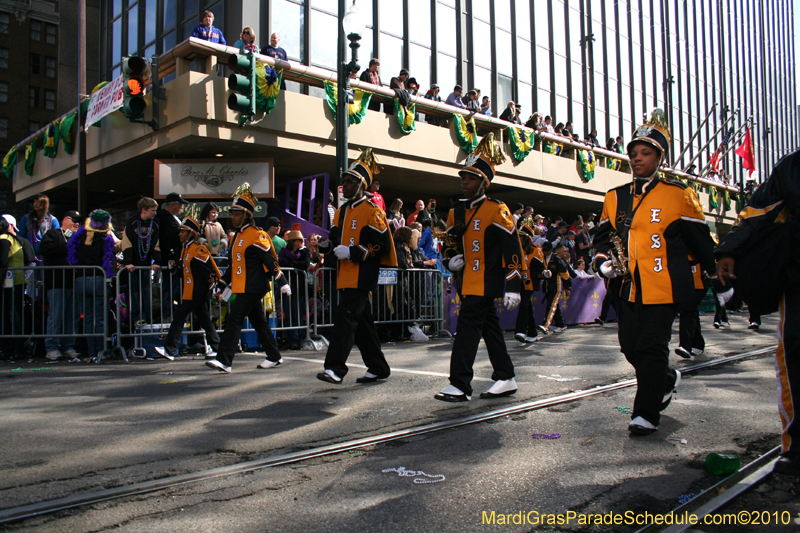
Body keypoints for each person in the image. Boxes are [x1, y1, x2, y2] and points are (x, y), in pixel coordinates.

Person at [592, 108, 727, 436]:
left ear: (659, 158)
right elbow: (602, 238)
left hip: (664, 288)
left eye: (646, 153)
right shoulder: (614, 196)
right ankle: (665, 379)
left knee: (652, 348)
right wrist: (602, 262)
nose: (637, 158)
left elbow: (700, 241)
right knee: (630, 346)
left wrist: (717, 279)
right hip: (626, 288)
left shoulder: (679, 194)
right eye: (634, 153)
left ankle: (645, 414)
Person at [715, 147, 800, 475]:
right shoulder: (792, 167)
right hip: (798, 277)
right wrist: (730, 250)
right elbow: (756, 213)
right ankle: (796, 446)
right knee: (794, 353)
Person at [435, 134, 522, 402]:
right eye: (463, 177)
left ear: (484, 182)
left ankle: (460, 383)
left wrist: (514, 286)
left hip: (487, 281)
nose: (464, 182)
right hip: (466, 281)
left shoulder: (497, 209)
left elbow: (513, 249)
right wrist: (450, 260)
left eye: (471, 178)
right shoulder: (456, 212)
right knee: (489, 328)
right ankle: (506, 376)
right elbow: (450, 244)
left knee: (468, 328)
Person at [315, 149, 397, 384]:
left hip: (361, 277)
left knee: (345, 321)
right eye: (344, 182)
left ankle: (335, 368)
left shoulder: (373, 212)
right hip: (344, 275)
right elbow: (334, 240)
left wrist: (352, 252)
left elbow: (381, 246)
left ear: (362, 185)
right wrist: (325, 246)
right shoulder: (340, 212)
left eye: (351, 182)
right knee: (362, 325)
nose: (345, 186)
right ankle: (378, 367)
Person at [207, 183, 289, 373]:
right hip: (242, 286)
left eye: (236, 214)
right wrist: (221, 284)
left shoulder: (257, 235)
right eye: (232, 214)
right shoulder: (236, 237)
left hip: (254, 286)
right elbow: (233, 265)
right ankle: (274, 355)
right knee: (259, 321)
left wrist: (282, 281)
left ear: (246, 215)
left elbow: (269, 259)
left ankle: (224, 360)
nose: (232, 217)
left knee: (234, 320)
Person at [154, 209, 221, 361]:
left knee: (179, 317)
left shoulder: (199, 250)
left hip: (197, 292)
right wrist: (174, 269)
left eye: (183, 231)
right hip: (190, 291)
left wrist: (215, 289)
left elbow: (209, 272)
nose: (179, 234)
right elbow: (185, 273)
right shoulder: (186, 250)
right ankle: (217, 348)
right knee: (205, 321)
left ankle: (170, 349)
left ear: (191, 233)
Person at [67, 210, 119, 362]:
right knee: (100, 317)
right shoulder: (105, 239)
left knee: (88, 317)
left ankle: (91, 351)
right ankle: (101, 350)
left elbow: (72, 257)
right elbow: (112, 255)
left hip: (81, 280)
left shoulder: (79, 237)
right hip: (98, 279)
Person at [40, 210, 81, 360]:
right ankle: (51, 347)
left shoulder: (79, 237)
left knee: (72, 317)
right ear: (65, 220)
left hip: (74, 283)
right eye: (74, 220)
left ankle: (68, 346)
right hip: (57, 282)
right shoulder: (52, 234)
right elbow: (45, 249)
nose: (77, 223)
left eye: (79, 221)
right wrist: (68, 245)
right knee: (55, 316)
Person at [121, 197, 161, 324]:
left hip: (146, 264)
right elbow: (126, 242)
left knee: (146, 291)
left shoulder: (155, 223)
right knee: (134, 292)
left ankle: (148, 318)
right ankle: (137, 318)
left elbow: (157, 244)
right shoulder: (132, 222)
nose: (155, 213)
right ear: (144, 210)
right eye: (152, 210)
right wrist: (128, 261)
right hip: (133, 265)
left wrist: (157, 261)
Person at [278, 229, 311, 350]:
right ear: (293, 242)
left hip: (300, 287)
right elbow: (280, 264)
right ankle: (292, 340)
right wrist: (295, 263)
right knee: (289, 314)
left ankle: (299, 339)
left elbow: (305, 264)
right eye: (299, 240)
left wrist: (291, 263)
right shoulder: (283, 251)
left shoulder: (305, 251)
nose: (302, 242)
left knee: (298, 314)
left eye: (302, 240)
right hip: (287, 285)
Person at [157, 193, 188, 321]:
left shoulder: (171, 218)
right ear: (173, 204)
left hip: (175, 258)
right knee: (169, 288)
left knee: (174, 289)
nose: (181, 207)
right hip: (170, 259)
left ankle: (173, 314)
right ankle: (167, 315)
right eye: (180, 205)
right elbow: (174, 234)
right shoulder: (165, 218)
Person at [0, 216, 27, 360]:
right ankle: (15, 349)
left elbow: (2, 260)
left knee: (10, 316)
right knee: (13, 316)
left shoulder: (4, 238)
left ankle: (13, 349)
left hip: (10, 282)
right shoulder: (12, 238)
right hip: (15, 281)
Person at [515, 232, 544, 344]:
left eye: (520, 236)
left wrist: (545, 273)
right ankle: (532, 333)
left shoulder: (535, 250)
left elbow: (541, 267)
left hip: (530, 282)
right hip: (520, 282)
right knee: (527, 307)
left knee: (524, 304)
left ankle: (521, 331)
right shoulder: (517, 249)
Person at [537, 241, 570, 334]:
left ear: (551, 250)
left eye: (547, 250)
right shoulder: (542, 258)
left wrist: (568, 287)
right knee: (554, 305)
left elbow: (565, 274)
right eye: (544, 250)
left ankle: (546, 325)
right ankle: (561, 324)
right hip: (547, 287)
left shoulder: (556, 260)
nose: (545, 252)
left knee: (551, 306)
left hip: (556, 287)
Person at [674, 265, 707, 359]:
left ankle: (685, 346)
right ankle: (697, 343)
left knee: (688, 308)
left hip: (699, 278)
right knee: (691, 310)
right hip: (684, 278)